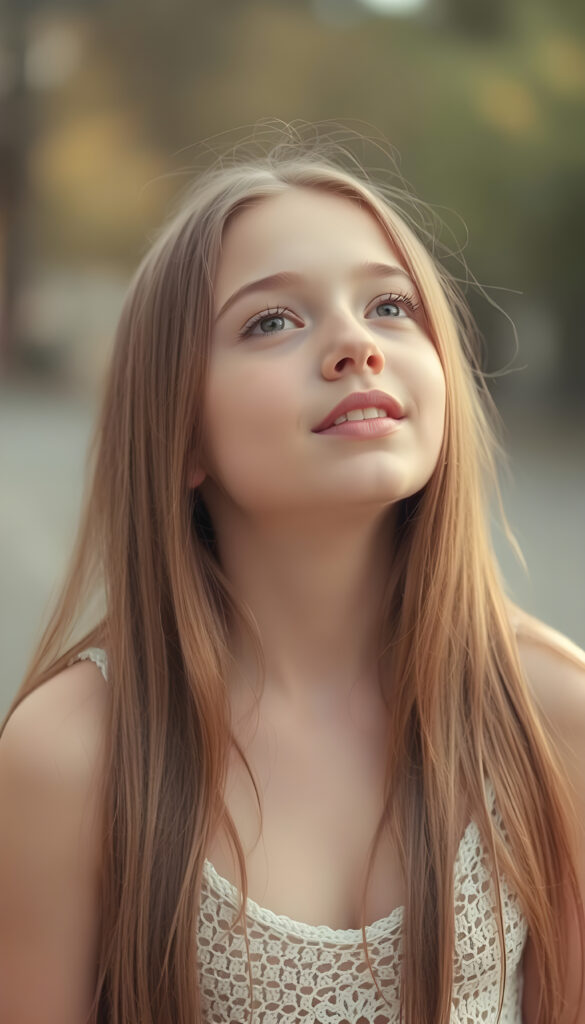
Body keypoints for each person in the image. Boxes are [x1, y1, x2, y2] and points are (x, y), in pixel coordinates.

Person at [0, 129, 584, 1024]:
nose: (356, 344)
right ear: (180, 431)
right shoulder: (72, 754)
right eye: (272, 321)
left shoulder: (549, 714)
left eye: (391, 306)